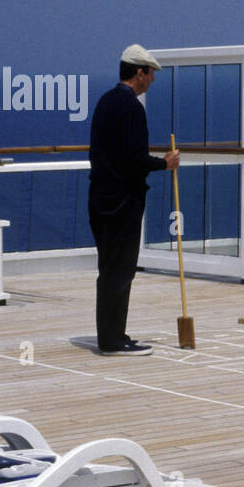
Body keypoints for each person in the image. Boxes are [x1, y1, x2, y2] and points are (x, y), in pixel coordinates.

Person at [87, 44, 180, 355]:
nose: (152, 80)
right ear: (139, 72)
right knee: (121, 269)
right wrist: (164, 163)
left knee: (110, 269)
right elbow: (134, 160)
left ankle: (112, 335)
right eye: (150, 74)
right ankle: (112, 340)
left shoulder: (105, 101)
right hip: (121, 201)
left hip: (99, 198)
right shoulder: (131, 107)